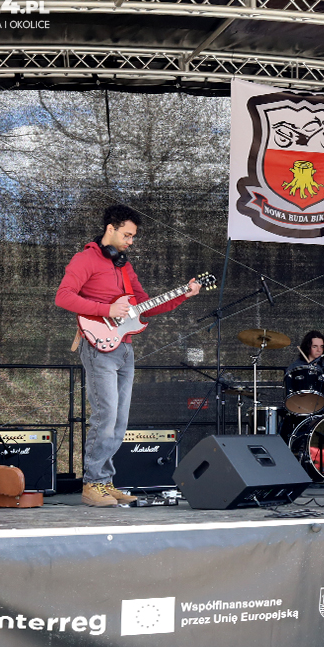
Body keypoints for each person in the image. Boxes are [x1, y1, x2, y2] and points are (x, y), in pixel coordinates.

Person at [56, 205, 202, 507]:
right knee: (105, 416)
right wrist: (107, 309)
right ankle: (92, 484)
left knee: (119, 421)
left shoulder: (124, 266)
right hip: (98, 347)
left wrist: (182, 295)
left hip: (124, 348)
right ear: (110, 228)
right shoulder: (85, 259)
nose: (130, 241)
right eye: (127, 235)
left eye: (133, 236)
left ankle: (105, 482)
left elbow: (146, 305)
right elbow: (64, 296)